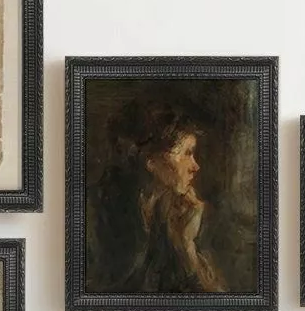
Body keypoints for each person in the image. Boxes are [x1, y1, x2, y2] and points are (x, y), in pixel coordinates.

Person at [87, 111, 228, 296]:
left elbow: (215, 297)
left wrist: (186, 244)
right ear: (152, 161)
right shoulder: (99, 207)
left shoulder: (177, 209)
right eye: (187, 153)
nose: (195, 166)